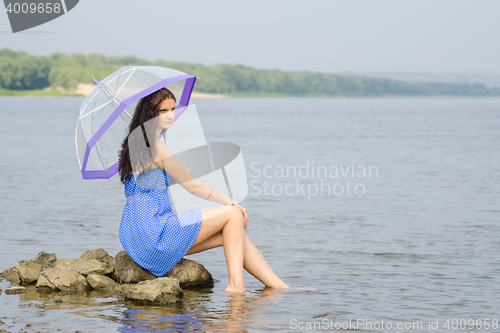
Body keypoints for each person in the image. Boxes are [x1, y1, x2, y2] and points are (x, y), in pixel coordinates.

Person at [117, 87, 290, 293]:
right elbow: (193, 186)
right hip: (156, 234)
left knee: (233, 235)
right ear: (150, 113)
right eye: (163, 111)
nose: (170, 115)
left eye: (173, 109)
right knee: (233, 215)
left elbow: (142, 188)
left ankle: (278, 286)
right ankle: (236, 286)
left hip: (138, 239)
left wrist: (170, 177)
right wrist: (231, 202)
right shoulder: (156, 146)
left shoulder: (134, 145)